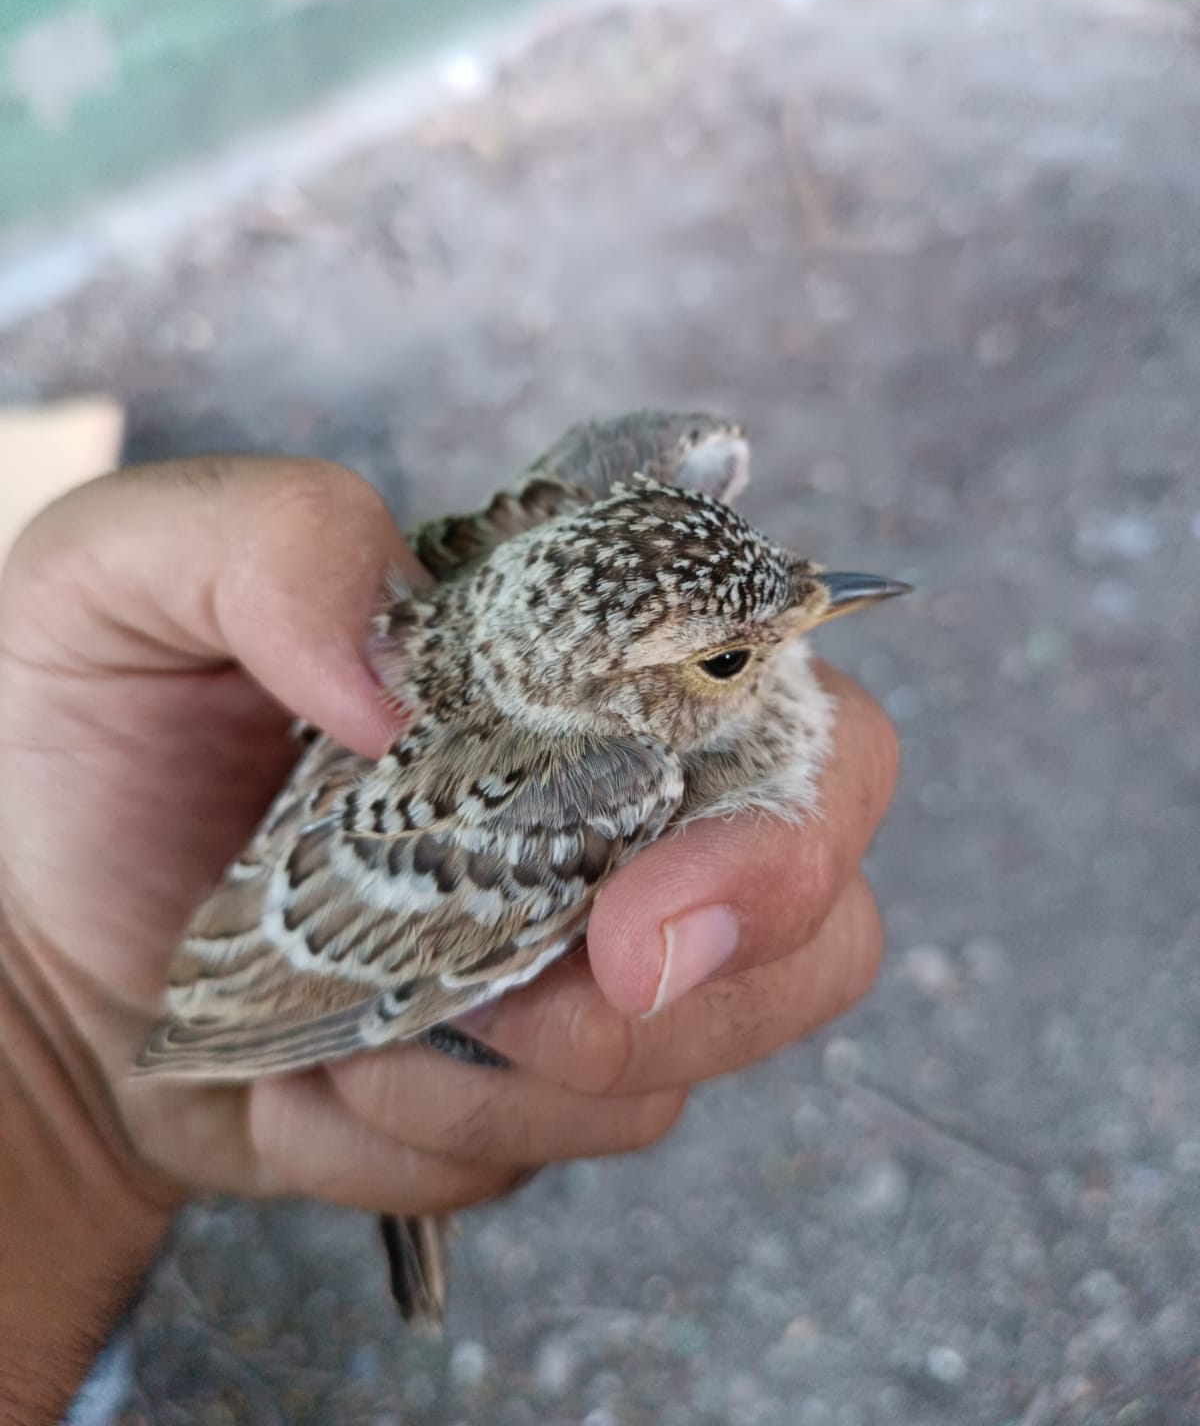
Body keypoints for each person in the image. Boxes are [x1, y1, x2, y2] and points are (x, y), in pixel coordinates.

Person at [0, 458, 896, 1425]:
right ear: (629, 697)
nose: (815, 603)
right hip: (238, 971)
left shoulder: (613, 724)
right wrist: (62, 1061)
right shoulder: (603, 783)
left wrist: (57, 1047)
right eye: (724, 660)